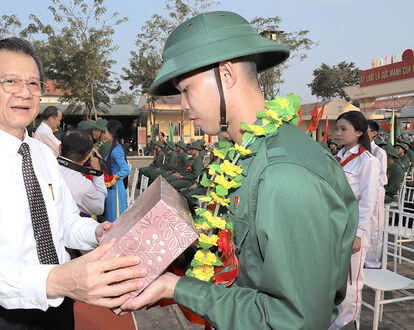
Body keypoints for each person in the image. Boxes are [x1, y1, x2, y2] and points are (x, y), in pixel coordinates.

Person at [120, 11, 358, 329]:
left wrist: (175, 288)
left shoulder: (284, 173)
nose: (182, 104)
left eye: (186, 89)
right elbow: (238, 261)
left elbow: (294, 320)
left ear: (227, 75)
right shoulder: (240, 156)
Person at [0, 37, 147, 329]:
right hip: (2, 314)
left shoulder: (43, 154)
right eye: (10, 81)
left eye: (34, 84)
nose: (24, 93)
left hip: (60, 306)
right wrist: (54, 280)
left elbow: (65, 222)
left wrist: (97, 232)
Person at [332, 111, 380, 328]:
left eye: (344, 129)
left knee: (351, 282)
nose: (338, 133)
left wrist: (358, 233)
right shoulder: (337, 157)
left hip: (353, 228)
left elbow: (368, 201)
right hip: (334, 225)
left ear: (359, 132)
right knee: (335, 277)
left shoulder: (368, 161)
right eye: (337, 128)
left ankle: (347, 323)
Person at [59, 129, 107, 216]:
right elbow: (98, 208)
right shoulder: (82, 184)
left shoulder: (45, 165)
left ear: (59, 149)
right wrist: (98, 173)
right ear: (88, 156)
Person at [365, 120, 388, 269]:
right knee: (364, 227)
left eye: (366, 130)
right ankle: (363, 259)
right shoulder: (359, 150)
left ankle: (372, 262)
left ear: (374, 133)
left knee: (376, 228)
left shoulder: (379, 152)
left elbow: (381, 178)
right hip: (364, 193)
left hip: (376, 192)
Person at [104, 120, 130, 222]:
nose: (105, 135)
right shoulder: (115, 147)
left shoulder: (116, 150)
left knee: (116, 219)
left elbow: (126, 170)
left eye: (106, 132)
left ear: (112, 133)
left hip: (116, 189)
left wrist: (113, 177)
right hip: (113, 189)